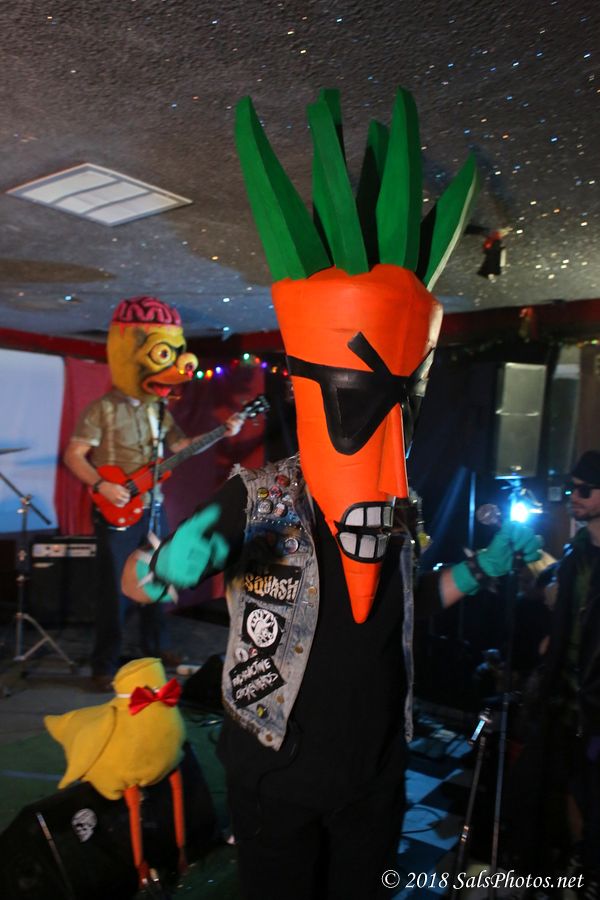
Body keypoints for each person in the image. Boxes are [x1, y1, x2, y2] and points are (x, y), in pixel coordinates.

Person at [123, 88, 542, 899]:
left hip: (375, 774)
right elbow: (137, 586)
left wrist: (477, 572)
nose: (386, 428)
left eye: (403, 405)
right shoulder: (257, 498)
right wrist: (165, 567)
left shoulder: (399, 503)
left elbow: (404, 609)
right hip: (273, 769)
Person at [64, 296, 242, 692]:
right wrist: (102, 484)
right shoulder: (102, 408)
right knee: (114, 589)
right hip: (115, 508)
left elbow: (181, 447)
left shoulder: (159, 409)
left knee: (159, 575)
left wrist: (222, 431)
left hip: (152, 507)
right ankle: (104, 664)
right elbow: (74, 455)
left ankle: (155, 649)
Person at [508, 451, 600, 898]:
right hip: (564, 694)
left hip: (596, 700)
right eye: (570, 489)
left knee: (591, 792)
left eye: (584, 490)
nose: (573, 498)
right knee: (556, 786)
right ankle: (566, 867)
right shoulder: (577, 550)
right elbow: (558, 596)